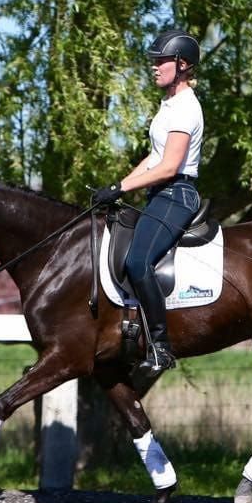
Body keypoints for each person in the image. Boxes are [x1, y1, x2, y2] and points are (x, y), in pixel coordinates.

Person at [92, 29, 204, 378]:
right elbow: (154, 158)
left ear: (181, 64)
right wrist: (118, 188)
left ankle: (160, 346)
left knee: (138, 261)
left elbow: (170, 166)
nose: (154, 67)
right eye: (153, 61)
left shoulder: (186, 107)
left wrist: (122, 186)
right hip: (160, 193)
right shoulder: (169, 105)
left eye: (161, 61)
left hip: (177, 194)